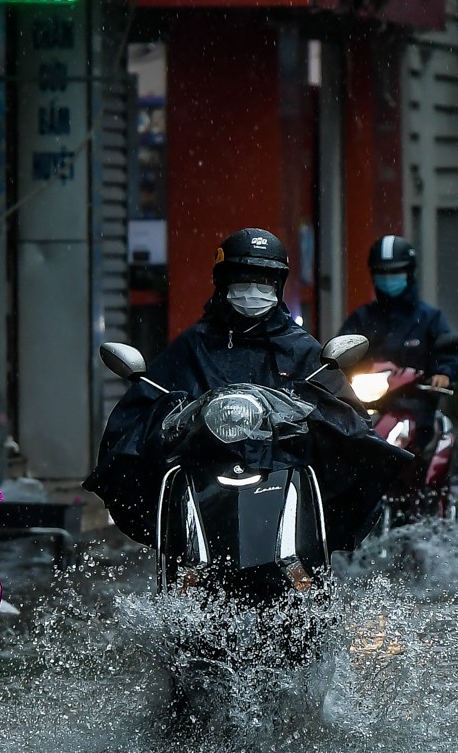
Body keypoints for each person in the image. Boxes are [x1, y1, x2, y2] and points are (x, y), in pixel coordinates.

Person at [85, 228, 404, 549]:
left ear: (278, 285)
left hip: (282, 473)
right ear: (223, 282)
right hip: (205, 477)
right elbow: (151, 400)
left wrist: (309, 416)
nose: (253, 290)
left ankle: (310, 559)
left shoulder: (300, 348)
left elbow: (343, 416)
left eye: (264, 281)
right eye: (242, 279)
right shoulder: (194, 345)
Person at [340, 235, 458, 434]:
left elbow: (447, 351)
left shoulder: (429, 318)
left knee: (417, 445)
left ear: (409, 273)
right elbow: (341, 355)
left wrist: (443, 373)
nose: (388, 278)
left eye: (395, 272)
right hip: (364, 409)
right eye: (382, 273)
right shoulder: (361, 319)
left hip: (416, 408)